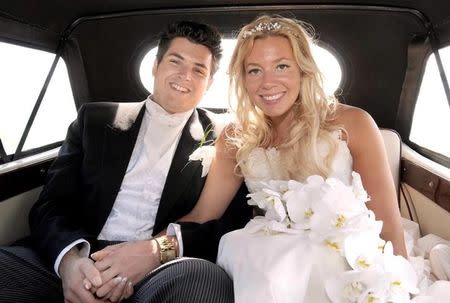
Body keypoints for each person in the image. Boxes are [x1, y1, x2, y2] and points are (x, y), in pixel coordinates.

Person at [177, 15, 440, 302]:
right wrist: (149, 248)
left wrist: (396, 288)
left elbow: (388, 225)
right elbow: (203, 216)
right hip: (265, 259)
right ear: (243, 79)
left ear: (304, 70)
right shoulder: (234, 137)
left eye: (282, 66)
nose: (268, 83)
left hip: (347, 260)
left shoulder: (353, 124)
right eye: (254, 70)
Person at [0, 20, 251, 303]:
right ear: (156, 66)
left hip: (160, 270)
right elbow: (51, 205)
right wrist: (71, 263)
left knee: (206, 282)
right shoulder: (94, 120)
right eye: (175, 62)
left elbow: (223, 227)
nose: (185, 76)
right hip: (79, 254)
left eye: (198, 69)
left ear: (208, 83)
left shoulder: (223, 139)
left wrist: (156, 253)